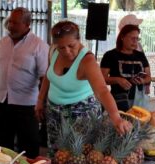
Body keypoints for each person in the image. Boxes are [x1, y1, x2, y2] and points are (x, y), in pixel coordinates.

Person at [35, 21, 132, 150]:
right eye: (61, 47)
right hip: (54, 113)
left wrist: (116, 117)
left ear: (79, 39)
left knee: (78, 158)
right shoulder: (53, 51)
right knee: (57, 155)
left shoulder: (87, 61)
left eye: (71, 45)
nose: (67, 51)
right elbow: (49, 75)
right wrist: (40, 100)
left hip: (81, 117)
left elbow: (102, 91)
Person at [0, 7, 49, 158]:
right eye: (10, 21)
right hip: (2, 101)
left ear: (27, 24)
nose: (10, 26)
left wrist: (42, 103)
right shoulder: (2, 42)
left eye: (15, 23)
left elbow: (45, 78)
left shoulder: (39, 45)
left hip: (27, 105)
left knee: (28, 146)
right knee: (2, 145)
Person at [100, 25, 152, 111]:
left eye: (137, 39)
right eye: (132, 38)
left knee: (139, 123)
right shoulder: (110, 55)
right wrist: (118, 80)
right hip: (118, 100)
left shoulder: (140, 55)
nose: (135, 42)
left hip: (139, 100)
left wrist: (143, 80)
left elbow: (148, 77)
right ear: (122, 37)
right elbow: (101, 79)